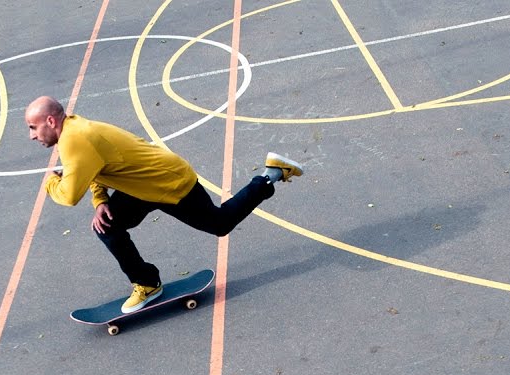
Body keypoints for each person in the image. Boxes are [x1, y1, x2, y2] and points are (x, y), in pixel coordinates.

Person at [25, 95, 304, 313]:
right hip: (141, 188)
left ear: (50, 121)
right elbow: (95, 170)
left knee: (220, 224)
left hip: (169, 182)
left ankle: (270, 175)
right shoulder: (74, 131)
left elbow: (69, 195)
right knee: (107, 226)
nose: (32, 136)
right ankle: (147, 284)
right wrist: (100, 201)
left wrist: (50, 183)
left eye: (33, 127)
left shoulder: (74, 139)